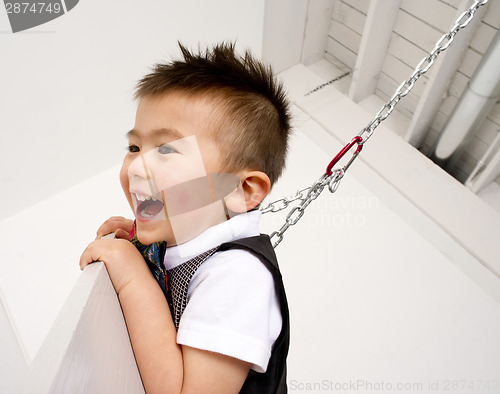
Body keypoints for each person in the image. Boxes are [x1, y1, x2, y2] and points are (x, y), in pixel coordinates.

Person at [79, 42, 291, 394]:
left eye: (165, 149)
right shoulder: (189, 246)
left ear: (241, 190)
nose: (136, 166)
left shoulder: (239, 275)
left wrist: (132, 273)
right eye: (134, 147)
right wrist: (140, 238)